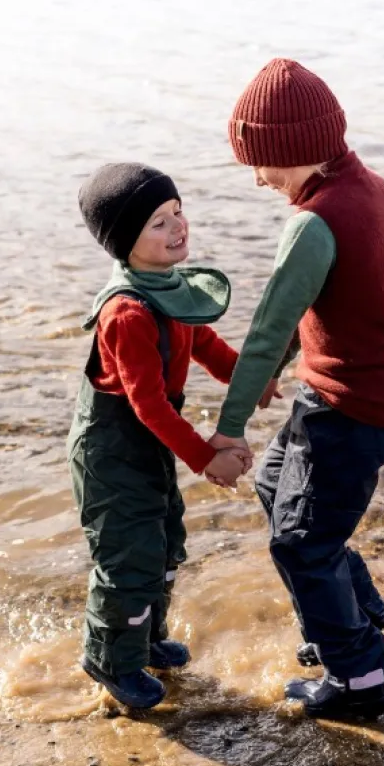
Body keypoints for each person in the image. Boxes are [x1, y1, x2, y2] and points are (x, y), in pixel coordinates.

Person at [210, 59, 384, 721]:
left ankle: (357, 678)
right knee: (277, 491)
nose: (258, 178)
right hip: (375, 385)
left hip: (352, 406)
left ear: (295, 149)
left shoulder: (313, 223)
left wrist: (230, 425)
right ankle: (353, 610)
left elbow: (268, 324)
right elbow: (319, 308)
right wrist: (282, 365)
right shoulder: (374, 187)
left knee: (300, 543)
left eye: (263, 162)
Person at [68, 163, 253, 709]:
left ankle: (145, 638)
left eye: (178, 212)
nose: (178, 227)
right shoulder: (126, 311)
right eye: (158, 222)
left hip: (149, 441)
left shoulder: (170, 287)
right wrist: (206, 458)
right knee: (128, 554)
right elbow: (147, 403)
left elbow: (202, 342)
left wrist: (249, 377)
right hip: (111, 449)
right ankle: (108, 659)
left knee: (165, 540)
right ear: (126, 240)